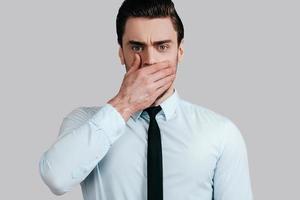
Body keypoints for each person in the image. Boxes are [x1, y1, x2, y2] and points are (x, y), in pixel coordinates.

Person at [39, 0, 253, 199]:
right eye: (137, 47)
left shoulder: (221, 133)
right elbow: (56, 178)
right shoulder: (85, 122)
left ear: (180, 51)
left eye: (162, 46)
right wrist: (125, 103)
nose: (150, 60)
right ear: (121, 53)